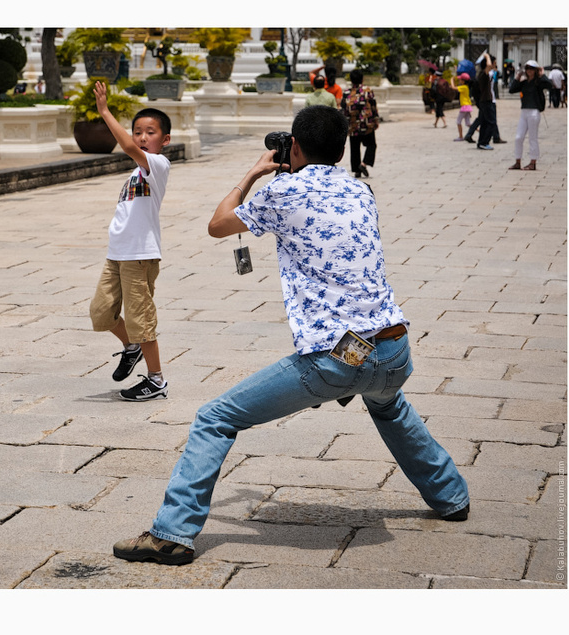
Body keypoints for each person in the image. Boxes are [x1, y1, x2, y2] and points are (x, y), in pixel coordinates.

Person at [112, 105, 470, 566]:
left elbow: (218, 224)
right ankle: (452, 497)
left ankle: (172, 534)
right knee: (387, 402)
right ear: (341, 149)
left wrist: (256, 172)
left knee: (215, 418)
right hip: (394, 349)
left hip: (339, 358)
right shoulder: (361, 191)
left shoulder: (283, 190)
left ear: (294, 147)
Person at [88, 81, 172, 401]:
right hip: (118, 254)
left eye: (149, 132)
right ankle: (131, 347)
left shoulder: (158, 165)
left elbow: (127, 148)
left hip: (140, 255)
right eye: (137, 131)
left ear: (164, 140)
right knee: (101, 313)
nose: (141, 137)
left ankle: (156, 379)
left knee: (141, 320)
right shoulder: (135, 174)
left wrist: (105, 111)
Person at [508, 60, 552, 171]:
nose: (529, 70)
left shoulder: (539, 83)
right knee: (518, 137)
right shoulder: (524, 83)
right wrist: (518, 76)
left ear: (536, 70)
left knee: (532, 138)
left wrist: (542, 75)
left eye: (532, 68)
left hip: (534, 112)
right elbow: (512, 89)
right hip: (524, 112)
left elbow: (549, 85)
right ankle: (517, 162)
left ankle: (533, 163)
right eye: (527, 68)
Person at [340, 69, 379, 178]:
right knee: (371, 145)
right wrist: (376, 119)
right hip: (366, 123)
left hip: (352, 125)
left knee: (355, 148)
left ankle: (357, 170)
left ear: (351, 80)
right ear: (362, 79)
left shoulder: (347, 92)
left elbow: (343, 109)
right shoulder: (367, 91)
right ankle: (363, 163)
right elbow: (373, 105)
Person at [452, 73, 473, 141]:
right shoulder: (466, 87)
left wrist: (452, 80)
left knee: (458, 121)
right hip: (467, 106)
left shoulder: (464, 87)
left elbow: (453, 88)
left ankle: (461, 136)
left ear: (463, 81)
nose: (459, 81)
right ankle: (481, 131)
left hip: (464, 106)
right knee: (468, 123)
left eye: (460, 80)